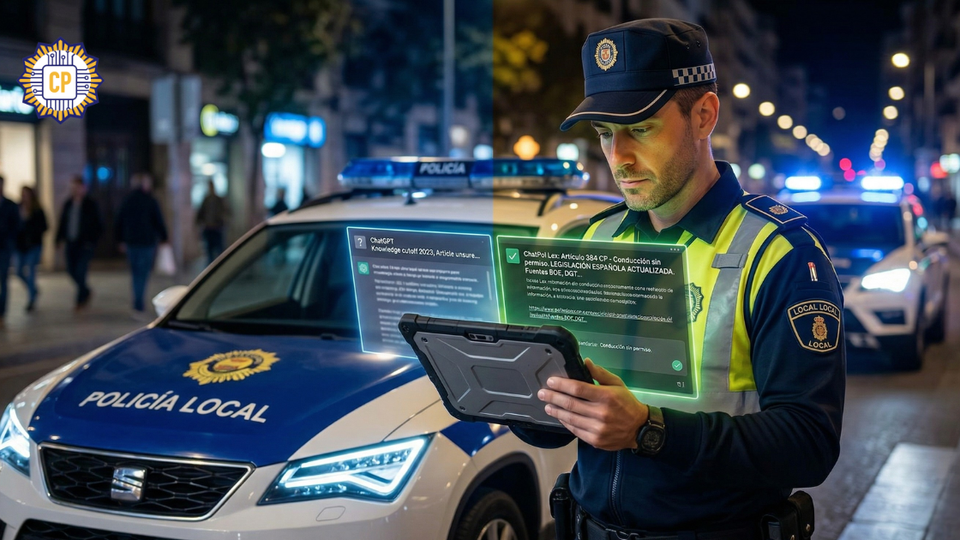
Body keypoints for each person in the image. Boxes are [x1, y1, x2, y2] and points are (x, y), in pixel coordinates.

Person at [512, 19, 845, 540]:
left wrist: (649, 430)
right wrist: (515, 391)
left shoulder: (779, 253)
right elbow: (563, 425)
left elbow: (809, 445)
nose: (618, 156)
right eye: (605, 134)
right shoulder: (593, 240)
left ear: (704, 115)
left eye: (640, 129)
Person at [115, 173, 168, 316]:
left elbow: (119, 221)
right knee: (143, 273)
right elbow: (158, 220)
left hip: (132, 242)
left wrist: (120, 240)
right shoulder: (150, 200)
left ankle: (137, 302)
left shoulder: (127, 200)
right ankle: (139, 302)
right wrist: (164, 237)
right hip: (146, 242)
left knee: (135, 273)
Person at [56, 175, 102, 311]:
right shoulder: (68, 203)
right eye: (72, 188)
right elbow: (62, 223)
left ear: (83, 188)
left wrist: (92, 240)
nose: (74, 190)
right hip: (71, 243)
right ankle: (86, 290)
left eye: (77, 187)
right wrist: (58, 239)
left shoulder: (91, 204)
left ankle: (80, 300)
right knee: (71, 270)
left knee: (81, 271)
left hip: (85, 244)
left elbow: (98, 224)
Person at [15, 185, 47, 312]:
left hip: (34, 245)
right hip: (20, 246)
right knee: (18, 271)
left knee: (31, 272)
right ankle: (33, 289)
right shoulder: (17, 208)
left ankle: (31, 299)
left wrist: (33, 231)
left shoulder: (38, 210)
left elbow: (44, 226)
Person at [0, 176, 21, 327]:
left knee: (3, 281)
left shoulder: (10, 205)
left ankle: (2, 313)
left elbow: (17, 226)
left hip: (4, 248)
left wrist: (10, 241)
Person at [195, 178, 228, 265]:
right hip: (209, 228)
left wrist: (221, 221)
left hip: (217, 228)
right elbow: (201, 213)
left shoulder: (218, 200)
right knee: (209, 251)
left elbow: (225, 212)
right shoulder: (206, 200)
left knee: (219, 251)